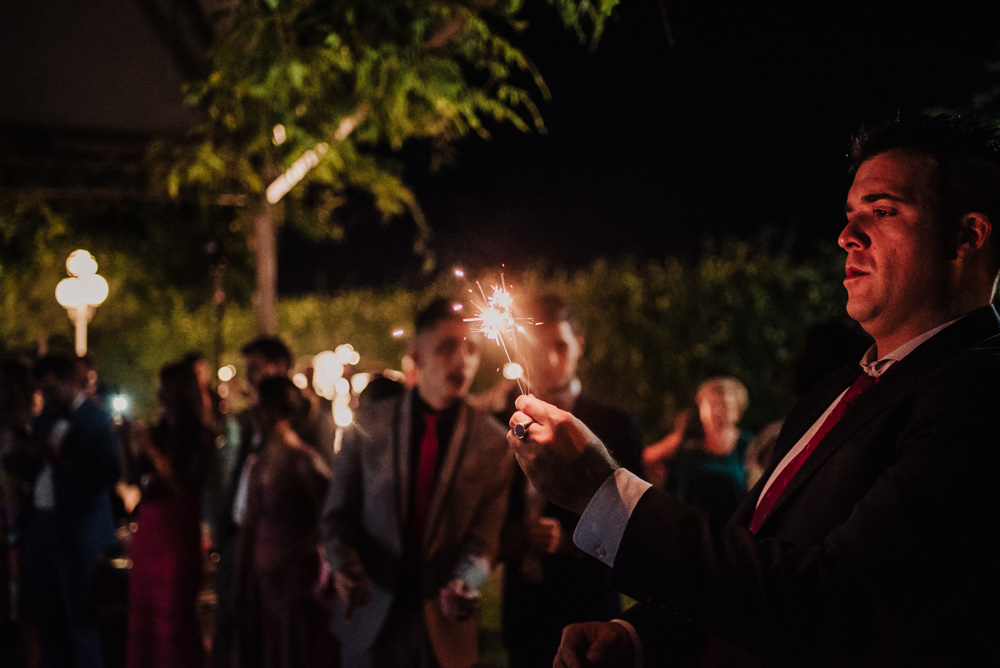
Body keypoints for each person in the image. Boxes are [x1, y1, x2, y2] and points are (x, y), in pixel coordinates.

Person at [507, 115, 1000, 665]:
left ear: (967, 237)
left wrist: (605, 496)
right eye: (849, 215)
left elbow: (838, 602)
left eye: (883, 212)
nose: (846, 236)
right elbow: (753, 550)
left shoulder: (979, 392)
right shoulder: (837, 390)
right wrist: (640, 636)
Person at [321, 297, 515, 668]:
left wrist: (467, 580)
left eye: (472, 348)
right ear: (416, 357)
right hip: (370, 615)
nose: (463, 361)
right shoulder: (368, 426)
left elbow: (485, 538)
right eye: (446, 348)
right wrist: (344, 567)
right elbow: (335, 516)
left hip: (444, 629)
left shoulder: (493, 442)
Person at [496, 294, 644, 668]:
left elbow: (634, 520)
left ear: (578, 346)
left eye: (560, 347)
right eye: (537, 348)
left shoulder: (614, 425)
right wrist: (503, 534)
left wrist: (570, 539)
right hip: (522, 611)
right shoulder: (503, 418)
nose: (548, 360)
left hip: (585, 607)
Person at [17, 354, 120, 668]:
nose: (46, 398)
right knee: (48, 620)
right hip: (42, 527)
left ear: (69, 383)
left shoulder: (96, 420)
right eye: (42, 392)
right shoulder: (45, 419)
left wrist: (58, 463)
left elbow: (105, 476)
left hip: (79, 531)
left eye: (51, 390)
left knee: (81, 620)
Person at [231, 375, 334, 668]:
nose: (254, 416)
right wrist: (240, 583)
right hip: (260, 584)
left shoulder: (305, 461)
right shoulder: (258, 463)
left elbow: (330, 521)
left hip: (294, 585)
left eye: (257, 408)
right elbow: (249, 527)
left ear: (273, 411)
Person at [125, 361, 213, 668]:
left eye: (166, 389)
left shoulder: (201, 437)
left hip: (176, 538)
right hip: (149, 532)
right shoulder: (160, 433)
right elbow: (138, 480)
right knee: (144, 619)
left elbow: (183, 485)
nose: (159, 396)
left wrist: (149, 448)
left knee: (174, 619)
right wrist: (130, 445)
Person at [645, 377, 752, 523]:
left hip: (730, 531)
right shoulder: (686, 440)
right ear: (701, 409)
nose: (717, 412)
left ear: (737, 412)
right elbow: (645, 458)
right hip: (688, 528)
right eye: (712, 405)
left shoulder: (748, 445)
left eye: (724, 406)